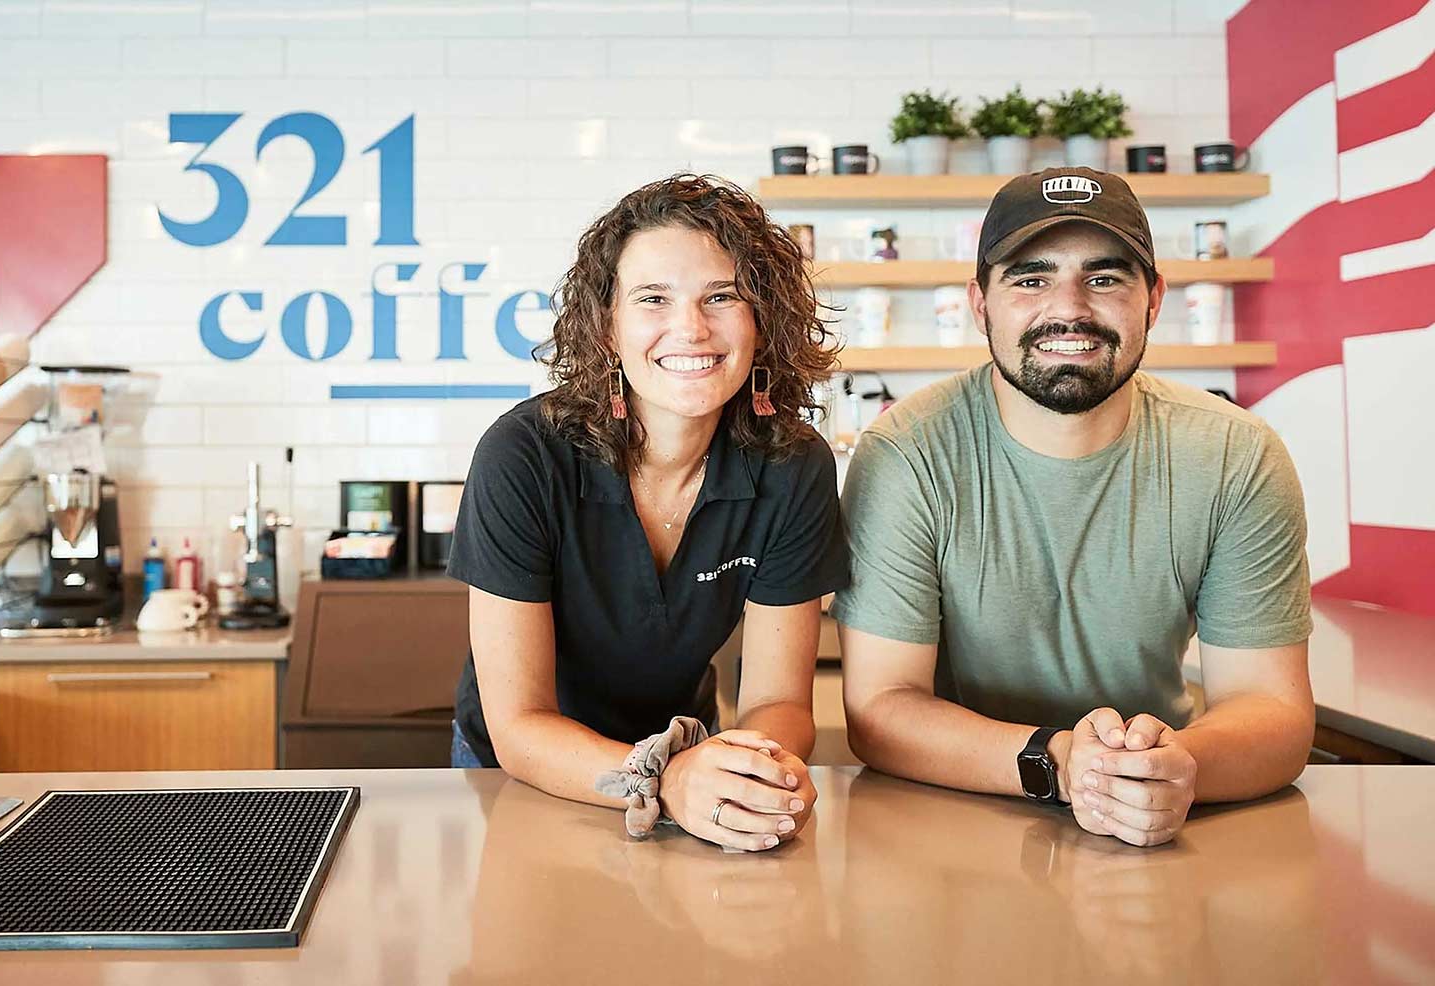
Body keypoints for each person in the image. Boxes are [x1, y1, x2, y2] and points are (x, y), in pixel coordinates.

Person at [835, 168, 1315, 847]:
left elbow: (1272, 708)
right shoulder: (907, 453)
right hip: (954, 823)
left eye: (1106, 278)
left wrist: (1177, 769)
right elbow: (880, 708)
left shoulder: (1236, 455)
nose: (1070, 308)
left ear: (1153, 300)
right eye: (1031, 279)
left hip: (1158, 817)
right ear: (981, 305)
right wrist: (1059, 763)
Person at [448, 174, 848, 853]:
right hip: (527, 772)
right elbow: (520, 724)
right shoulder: (524, 457)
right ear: (607, 325)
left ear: (763, 321)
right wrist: (662, 779)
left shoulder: (792, 464)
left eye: (721, 296)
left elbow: (778, 701)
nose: (689, 328)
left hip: (689, 761)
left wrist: (758, 771)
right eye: (653, 298)